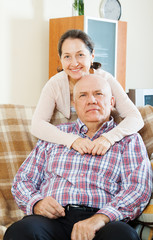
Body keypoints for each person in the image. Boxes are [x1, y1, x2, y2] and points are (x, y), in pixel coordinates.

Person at [4, 74, 152, 240]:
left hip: (104, 221)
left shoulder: (129, 139)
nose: (91, 100)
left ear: (111, 102)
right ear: (74, 104)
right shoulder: (55, 135)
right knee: (21, 232)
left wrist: (101, 218)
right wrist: (36, 203)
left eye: (98, 94)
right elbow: (23, 180)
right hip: (52, 220)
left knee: (123, 236)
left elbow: (137, 188)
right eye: (83, 95)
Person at [31, 29, 144, 156]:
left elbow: (136, 118)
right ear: (61, 60)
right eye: (67, 56)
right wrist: (72, 140)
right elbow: (37, 125)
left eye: (80, 55)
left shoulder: (105, 80)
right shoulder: (55, 84)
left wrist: (108, 138)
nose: (74, 63)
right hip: (70, 149)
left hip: (103, 148)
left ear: (92, 56)